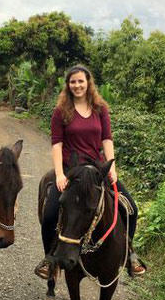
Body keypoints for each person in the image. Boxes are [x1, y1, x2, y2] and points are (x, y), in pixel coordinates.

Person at [35, 64, 146, 279]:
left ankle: (129, 253)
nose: (77, 85)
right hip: (71, 171)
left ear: (88, 83)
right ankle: (50, 259)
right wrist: (59, 174)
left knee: (130, 208)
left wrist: (111, 166)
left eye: (80, 81)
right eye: (73, 81)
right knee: (49, 214)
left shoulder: (100, 109)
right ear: (68, 85)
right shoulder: (60, 112)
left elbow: (107, 139)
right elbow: (57, 144)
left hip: (97, 170)